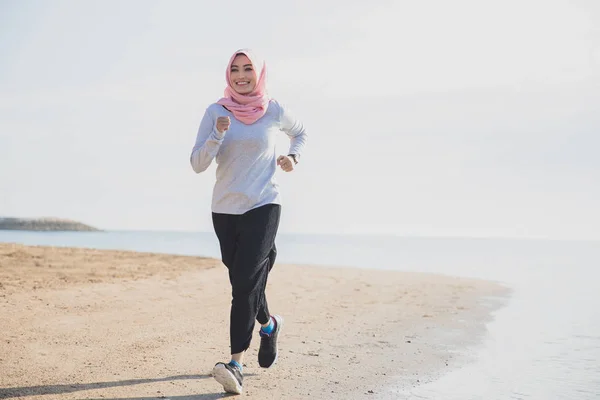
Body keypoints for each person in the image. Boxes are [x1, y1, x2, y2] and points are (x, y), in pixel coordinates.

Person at [189, 48, 307, 395]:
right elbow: (197, 163)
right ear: (229, 75)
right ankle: (269, 325)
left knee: (243, 283)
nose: (242, 76)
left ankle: (235, 364)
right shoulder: (216, 112)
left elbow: (300, 133)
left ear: (260, 74)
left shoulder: (274, 110)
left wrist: (293, 158)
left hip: (264, 204)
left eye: (248, 69)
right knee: (245, 280)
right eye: (235, 70)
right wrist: (217, 135)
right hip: (225, 210)